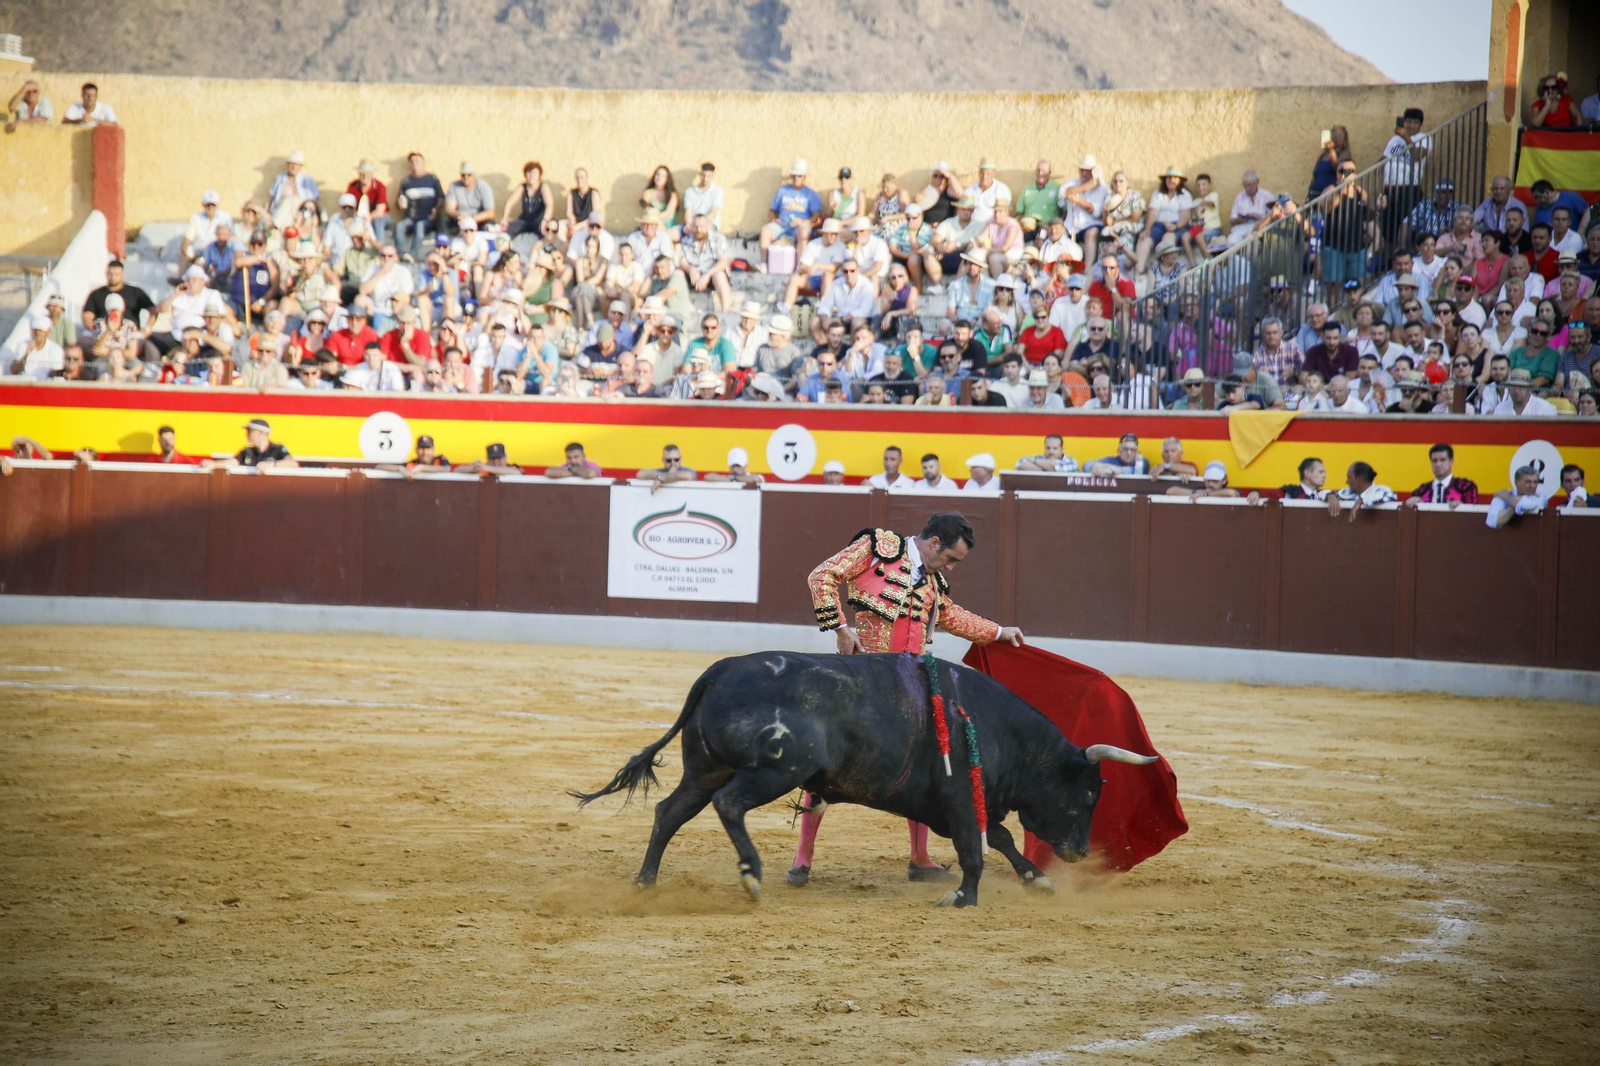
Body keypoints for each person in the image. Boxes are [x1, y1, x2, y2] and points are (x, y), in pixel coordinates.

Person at [792, 512, 1024, 888]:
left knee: (925, 764)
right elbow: (822, 575)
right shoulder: (875, 549)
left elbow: (951, 616)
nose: (951, 567)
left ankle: (920, 858)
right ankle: (803, 857)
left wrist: (998, 632)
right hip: (862, 679)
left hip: (910, 687)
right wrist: (840, 627)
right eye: (950, 558)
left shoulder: (934, 581)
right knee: (826, 763)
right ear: (934, 543)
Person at [759, 159, 823, 264]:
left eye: (799, 176)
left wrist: (803, 222)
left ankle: (800, 266)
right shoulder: (782, 190)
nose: (796, 178)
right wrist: (773, 219)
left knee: (803, 232)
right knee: (765, 230)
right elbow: (771, 210)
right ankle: (764, 264)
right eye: (794, 176)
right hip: (782, 224)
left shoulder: (811, 194)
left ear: (804, 177)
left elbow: (816, 216)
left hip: (800, 226)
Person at [1403, 443, 1478, 508]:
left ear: (1451, 462)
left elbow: (1475, 515)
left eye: (1442, 460)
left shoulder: (1467, 488)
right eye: (1434, 460)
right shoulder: (1420, 492)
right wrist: (1412, 503)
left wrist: (1463, 507)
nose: (1438, 464)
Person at [1327, 461, 1396, 522]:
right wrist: (1330, 495)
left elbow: (1389, 496)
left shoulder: (1380, 490)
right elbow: (1320, 493)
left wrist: (1361, 501)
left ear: (1359, 479)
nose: (1346, 481)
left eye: (1349, 477)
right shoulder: (1346, 492)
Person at [219, 419, 298, 470]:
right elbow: (230, 462)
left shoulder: (277, 449)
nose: (247, 435)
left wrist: (272, 464)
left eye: (250, 432)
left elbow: (292, 464)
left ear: (260, 433)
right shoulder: (248, 451)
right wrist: (213, 464)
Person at [1492, 368, 1557, 416]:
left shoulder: (1544, 408)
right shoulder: (1501, 408)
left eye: (1521, 387)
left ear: (1529, 389)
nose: (1516, 391)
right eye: (1513, 387)